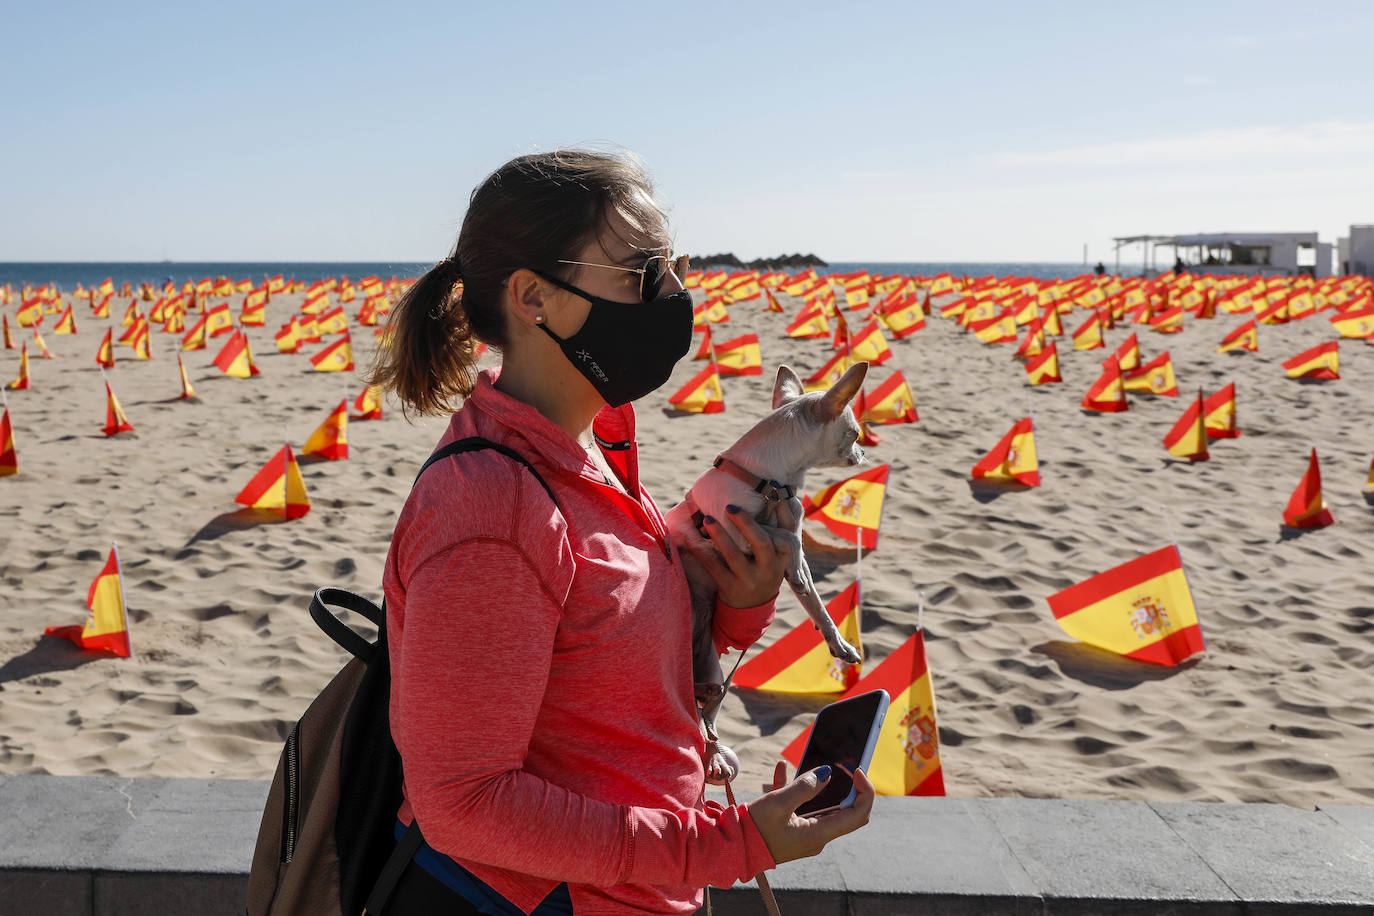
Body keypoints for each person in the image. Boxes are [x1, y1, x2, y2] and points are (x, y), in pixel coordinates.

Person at [369, 149, 874, 914]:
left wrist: (740, 601)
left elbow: (614, 671)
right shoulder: (490, 510)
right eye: (645, 274)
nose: (676, 295)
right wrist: (732, 844)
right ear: (535, 297)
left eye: (676, 267)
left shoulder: (597, 445)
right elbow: (465, 803)